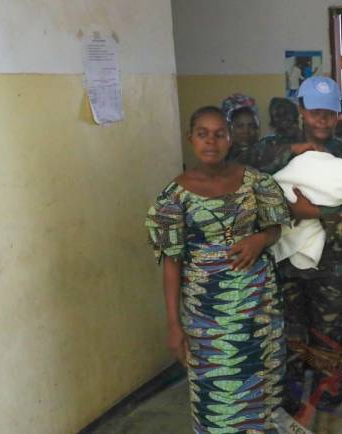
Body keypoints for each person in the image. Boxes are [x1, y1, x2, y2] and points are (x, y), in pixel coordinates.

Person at [145, 106, 291, 433]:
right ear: (191, 139)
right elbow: (171, 263)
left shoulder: (255, 181)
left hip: (259, 309)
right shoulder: (173, 197)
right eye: (202, 134)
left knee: (263, 393)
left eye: (219, 134)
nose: (211, 141)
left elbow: (276, 228)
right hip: (207, 318)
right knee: (216, 396)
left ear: (230, 139)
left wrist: (259, 239)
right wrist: (173, 324)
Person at [238, 76, 342, 413]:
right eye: (316, 113)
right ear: (301, 110)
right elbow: (245, 172)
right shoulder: (275, 148)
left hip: (334, 259)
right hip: (285, 257)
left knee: (329, 328)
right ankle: (289, 394)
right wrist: (293, 152)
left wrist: (315, 213)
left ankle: (326, 390)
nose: (323, 121)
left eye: (329, 114)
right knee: (289, 330)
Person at [222, 93, 260, 161]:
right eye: (240, 126)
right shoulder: (219, 158)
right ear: (228, 128)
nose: (246, 131)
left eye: (251, 125)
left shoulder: (265, 156)